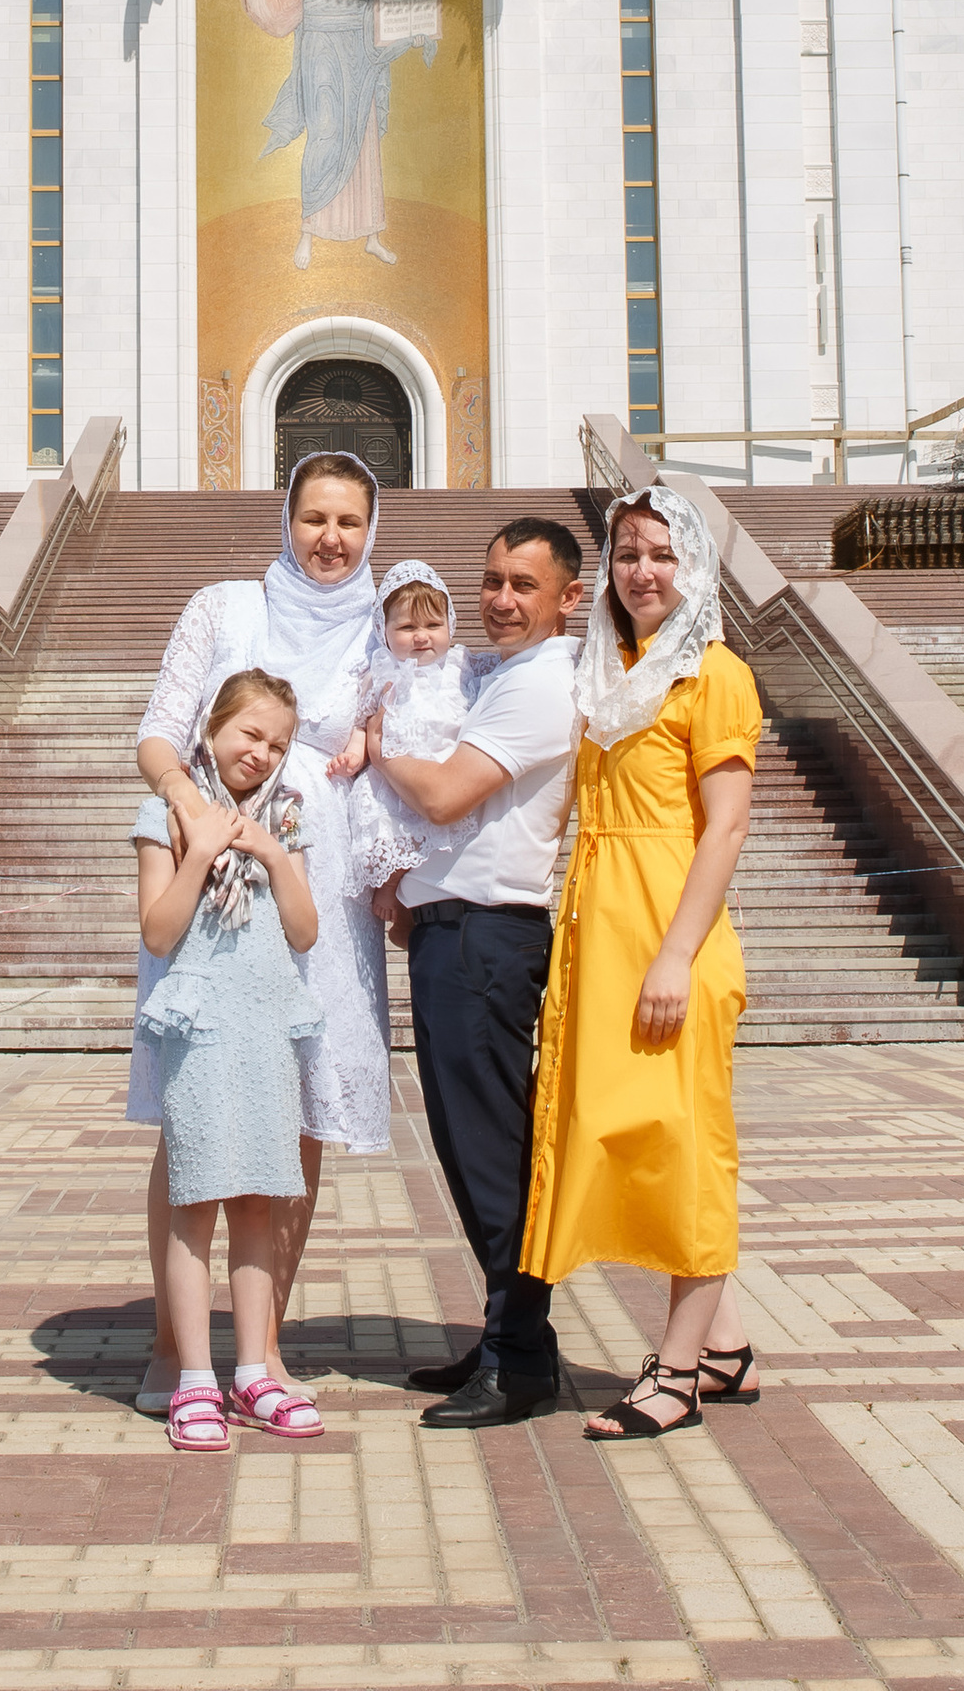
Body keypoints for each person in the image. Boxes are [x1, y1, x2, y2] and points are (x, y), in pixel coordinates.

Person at [131, 451, 389, 1418]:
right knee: (196, 1103)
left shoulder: (385, 623)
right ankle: (175, 1346)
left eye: (349, 523)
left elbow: (422, 716)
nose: (330, 539)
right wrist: (188, 809)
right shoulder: (223, 607)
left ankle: (262, 1350)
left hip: (316, 878)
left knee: (303, 1106)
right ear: (287, 518)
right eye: (314, 518)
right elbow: (160, 728)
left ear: (372, 531)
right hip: (207, 869)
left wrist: (373, 741)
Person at [520, 484, 762, 1440]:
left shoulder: (713, 672)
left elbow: (728, 824)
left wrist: (675, 955)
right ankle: (727, 1345)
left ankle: (676, 1371)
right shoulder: (602, 671)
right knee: (640, 1140)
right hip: (600, 935)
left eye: (662, 554)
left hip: (672, 937)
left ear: (692, 565)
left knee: (685, 1146)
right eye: (627, 554)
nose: (643, 571)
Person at [369, 515, 587, 1429]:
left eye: (522, 586)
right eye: (492, 581)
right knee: (466, 1144)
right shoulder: (501, 673)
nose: (500, 599)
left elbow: (449, 791)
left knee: (492, 1149)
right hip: (456, 928)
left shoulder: (538, 684)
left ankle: (521, 1355)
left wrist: (379, 747)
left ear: (569, 598)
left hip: (490, 934)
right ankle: (508, 1335)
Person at [132, 667, 327, 1451]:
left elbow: (306, 931)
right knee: (195, 1201)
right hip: (203, 1023)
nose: (261, 752)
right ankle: (194, 1378)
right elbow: (158, 931)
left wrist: (275, 857)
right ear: (213, 727)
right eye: (249, 733)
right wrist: (200, 847)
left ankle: (254, 1370)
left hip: (264, 1022)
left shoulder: (287, 816)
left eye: (277, 743)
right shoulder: (166, 813)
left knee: (258, 1200)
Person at [224, 0, 434, 268]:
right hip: (321, 60)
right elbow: (277, 13)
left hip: (359, 63)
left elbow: (381, 25)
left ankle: (372, 234)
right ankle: (308, 232)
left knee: (363, 141)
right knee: (323, 136)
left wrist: (412, 33)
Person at [325, 559, 470, 896]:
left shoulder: (462, 665)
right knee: (394, 827)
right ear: (383, 632)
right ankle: (391, 885)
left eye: (433, 625)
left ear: (449, 625)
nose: (421, 637)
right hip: (395, 776)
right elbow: (363, 721)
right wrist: (353, 754)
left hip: (448, 770)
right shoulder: (381, 673)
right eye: (406, 628)